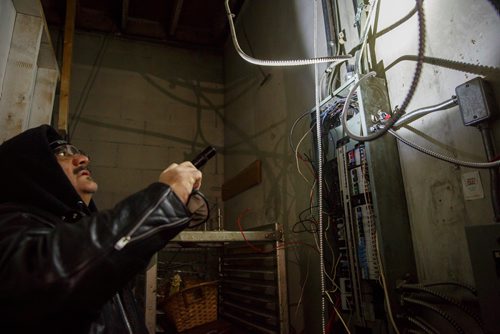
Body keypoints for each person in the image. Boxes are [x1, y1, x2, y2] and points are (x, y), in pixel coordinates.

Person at [0, 124, 204, 333]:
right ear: (32, 169)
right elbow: (49, 275)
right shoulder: (10, 222)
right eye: (62, 153)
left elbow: (105, 270)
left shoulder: (73, 229)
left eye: (78, 152)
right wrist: (163, 200)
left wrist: (175, 207)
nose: (82, 159)